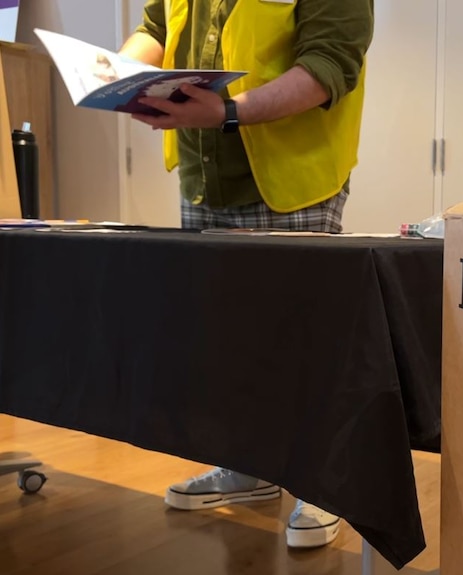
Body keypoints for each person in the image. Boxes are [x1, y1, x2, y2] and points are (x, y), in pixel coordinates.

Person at [118, 0, 374, 549]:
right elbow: (156, 29)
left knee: (303, 340)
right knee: (225, 339)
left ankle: (322, 482)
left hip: (292, 177)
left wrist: (227, 112)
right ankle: (247, 468)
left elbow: (330, 65)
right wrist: (118, 76)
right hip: (204, 175)